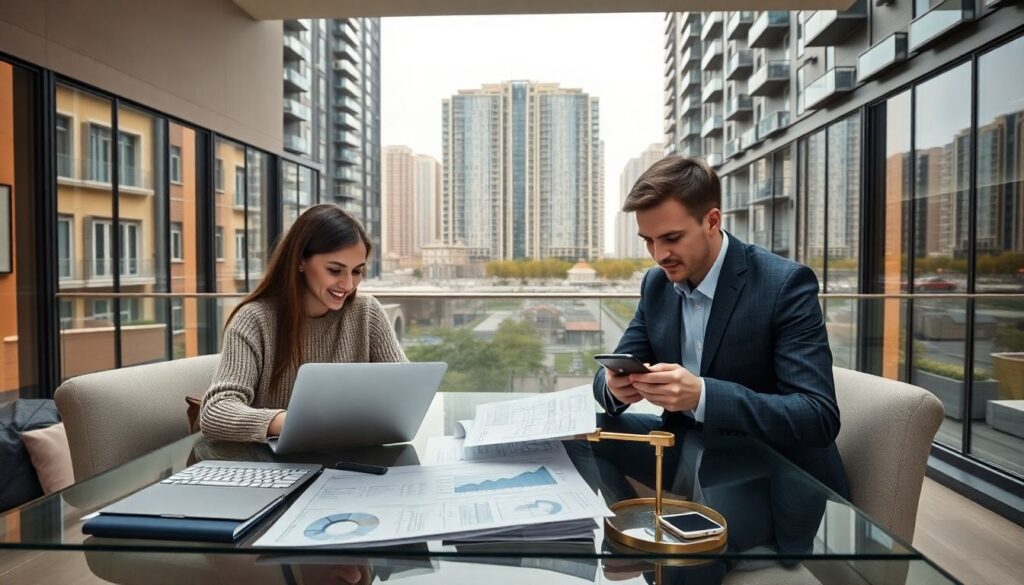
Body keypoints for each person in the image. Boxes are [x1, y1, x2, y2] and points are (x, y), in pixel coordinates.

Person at [591, 156, 849, 497]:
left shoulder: (784, 284)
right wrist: (613, 387)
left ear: (712, 221)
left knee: (713, 533)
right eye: (648, 240)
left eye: (671, 237)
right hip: (682, 448)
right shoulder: (657, 285)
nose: (658, 254)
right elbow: (616, 364)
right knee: (579, 438)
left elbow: (817, 417)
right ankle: (626, 540)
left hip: (763, 472)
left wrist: (703, 395)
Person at [201, 203, 406, 443]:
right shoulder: (254, 319)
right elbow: (215, 412)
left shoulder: (367, 311)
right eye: (334, 270)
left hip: (348, 462)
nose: (348, 284)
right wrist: (295, 423)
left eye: (357, 271)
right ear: (300, 261)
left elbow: (403, 394)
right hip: (270, 469)